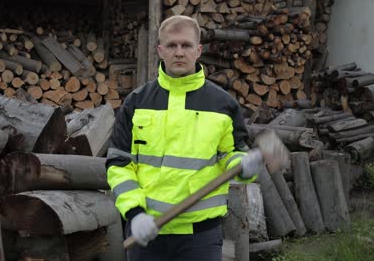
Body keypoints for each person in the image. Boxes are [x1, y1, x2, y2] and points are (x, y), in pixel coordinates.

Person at [106, 15, 264, 261]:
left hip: (201, 238)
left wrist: (243, 167)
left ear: (198, 50)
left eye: (186, 45)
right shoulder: (136, 102)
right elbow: (119, 165)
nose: (179, 52)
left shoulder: (223, 104)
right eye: (171, 45)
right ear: (160, 50)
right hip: (146, 234)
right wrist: (135, 213)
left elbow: (231, 155)